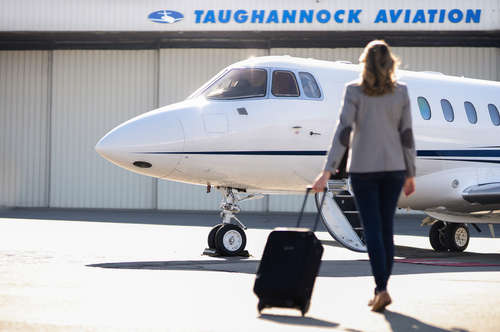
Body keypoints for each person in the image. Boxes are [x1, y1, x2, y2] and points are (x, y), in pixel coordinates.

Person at [312, 40, 416, 312]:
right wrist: (410, 173)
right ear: (390, 62)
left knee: (372, 231)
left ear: (364, 63)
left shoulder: (354, 92)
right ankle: (383, 288)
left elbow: (343, 132)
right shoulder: (401, 92)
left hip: (363, 171)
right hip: (394, 170)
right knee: (387, 230)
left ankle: (381, 289)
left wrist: (327, 171)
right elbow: (407, 135)